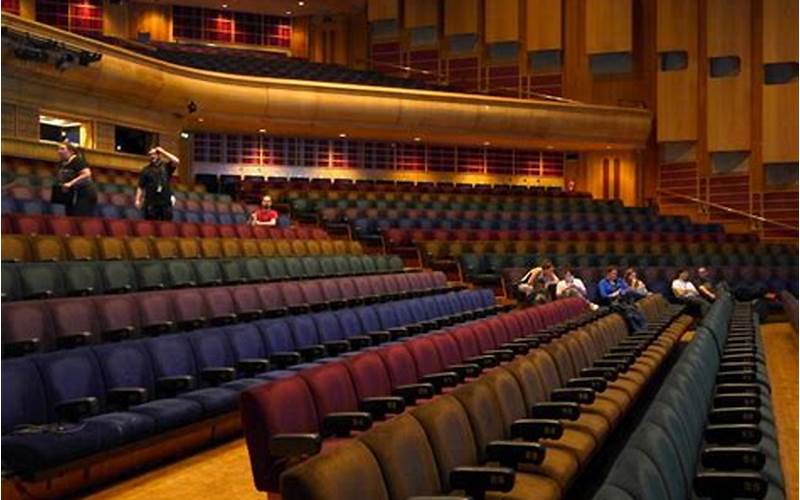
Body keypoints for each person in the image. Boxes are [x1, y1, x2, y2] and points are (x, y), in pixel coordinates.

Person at [54, 140, 97, 216]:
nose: (59, 151)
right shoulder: (62, 163)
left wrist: (70, 183)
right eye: (58, 149)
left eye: (62, 149)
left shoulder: (77, 160)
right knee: (69, 215)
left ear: (71, 151)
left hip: (84, 193)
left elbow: (87, 174)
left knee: (78, 217)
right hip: (72, 193)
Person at [135, 146, 180, 221]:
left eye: (154, 154)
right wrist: (137, 200)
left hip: (165, 202)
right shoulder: (146, 170)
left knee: (166, 227)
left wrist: (163, 151)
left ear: (158, 155)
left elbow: (176, 161)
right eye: (150, 154)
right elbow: (140, 186)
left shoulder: (166, 166)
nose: (152, 156)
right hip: (151, 202)